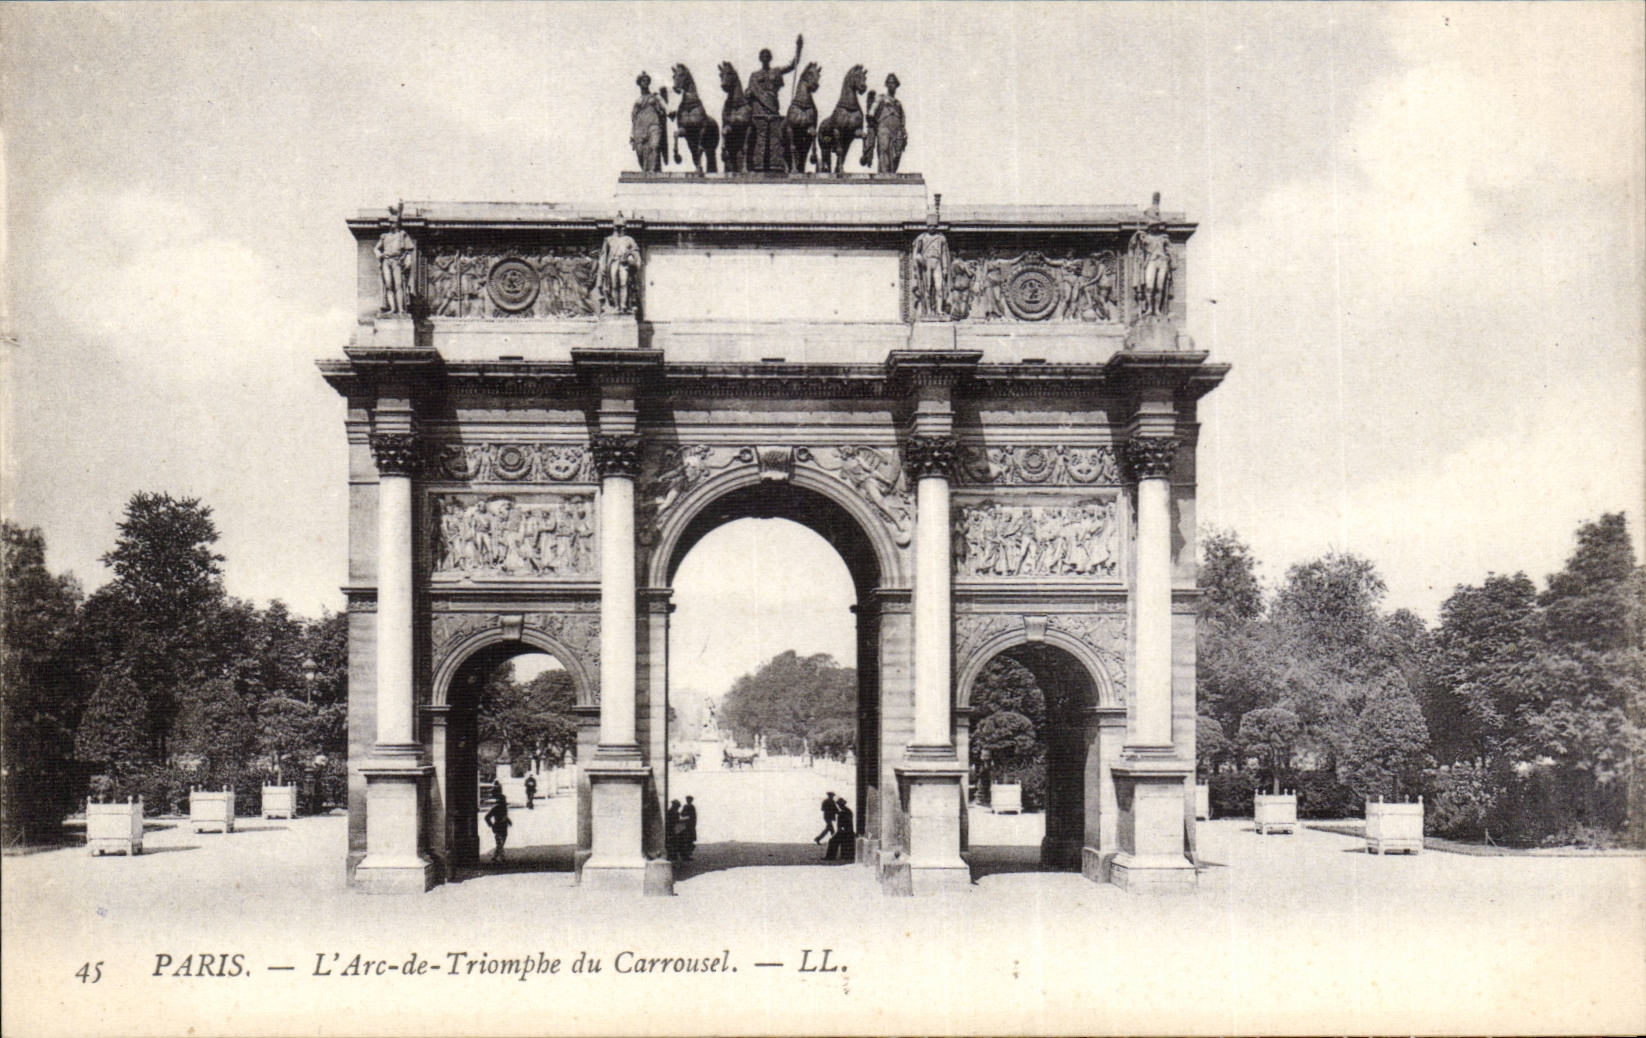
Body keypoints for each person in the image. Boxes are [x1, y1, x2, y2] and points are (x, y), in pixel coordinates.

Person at [746, 35, 803, 172]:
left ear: (770, 58)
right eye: (763, 56)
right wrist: (748, 93)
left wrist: (799, 48)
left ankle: (777, 164)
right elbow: (748, 92)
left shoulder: (776, 71)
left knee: (776, 138)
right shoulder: (754, 76)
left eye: (767, 55)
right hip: (758, 111)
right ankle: (755, 164)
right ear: (760, 58)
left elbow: (792, 65)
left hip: (773, 110)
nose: (765, 58)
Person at [630, 71, 668, 172]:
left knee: (654, 147)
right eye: (643, 80)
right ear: (639, 83)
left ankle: (652, 172)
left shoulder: (655, 97)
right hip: (640, 128)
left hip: (654, 126)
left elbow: (665, 107)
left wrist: (666, 110)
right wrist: (632, 134)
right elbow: (633, 118)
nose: (645, 82)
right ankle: (647, 174)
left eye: (647, 80)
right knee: (640, 153)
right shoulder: (637, 101)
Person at [484, 793, 511, 863]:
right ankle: (503, 858)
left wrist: (508, 821)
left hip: (503, 827)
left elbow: (505, 816)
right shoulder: (496, 808)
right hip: (498, 827)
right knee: (500, 843)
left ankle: (494, 856)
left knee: (500, 843)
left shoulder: (504, 808)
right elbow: (487, 817)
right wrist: (491, 825)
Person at [680, 796, 698, 861]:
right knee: (688, 841)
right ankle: (686, 855)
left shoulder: (690, 807)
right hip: (687, 826)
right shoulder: (688, 807)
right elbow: (682, 814)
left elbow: (693, 817)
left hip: (689, 826)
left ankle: (687, 855)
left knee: (689, 841)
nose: (688, 801)